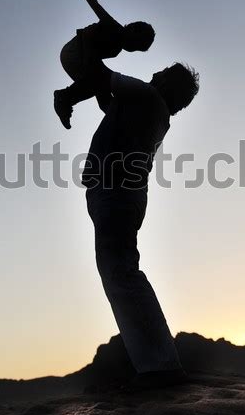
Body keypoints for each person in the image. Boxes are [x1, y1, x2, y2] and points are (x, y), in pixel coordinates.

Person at [82, 60, 200, 391]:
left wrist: (92, 42)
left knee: (123, 276)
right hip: (121, 194)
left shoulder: (146, 96)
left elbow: (97, 75)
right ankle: (157, 363)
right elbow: (106, 96)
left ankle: (160, 366)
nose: (155, 72)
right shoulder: (147, 105)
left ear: (166, 84)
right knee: (122, 275)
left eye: (162, 73)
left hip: (116, 192)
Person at [54, 0, 155, 129]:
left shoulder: (116, 49)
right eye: (134, 44)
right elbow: (96, 5)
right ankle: (65, 97)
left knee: (102, 85)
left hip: (80, 62)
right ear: (131, 30)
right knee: (105, 79)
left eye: (136, 49)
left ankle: (113, 114)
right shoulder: (114, 27)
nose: (131, 49)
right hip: (75, 51)